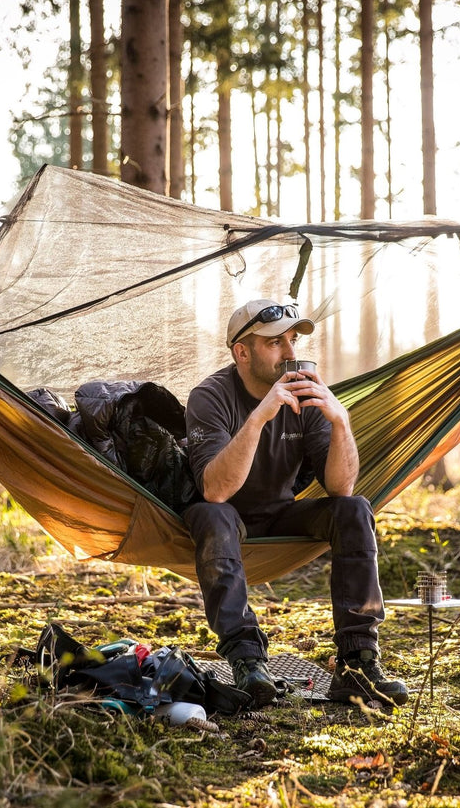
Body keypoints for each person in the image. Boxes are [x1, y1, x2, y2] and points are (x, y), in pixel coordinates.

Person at [183, 298, 408, 708]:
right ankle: (247, 661)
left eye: (291, 340)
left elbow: (341, 486)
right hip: (224, 521)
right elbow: (215, 489)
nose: (290, 353)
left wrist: (340, 421)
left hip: (282, 516)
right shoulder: (210, 397)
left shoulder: (306, 396)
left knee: (355, 509)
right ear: (242, 352)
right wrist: (259, 417)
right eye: (275, 343)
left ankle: (357, 663)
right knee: (212, 514)